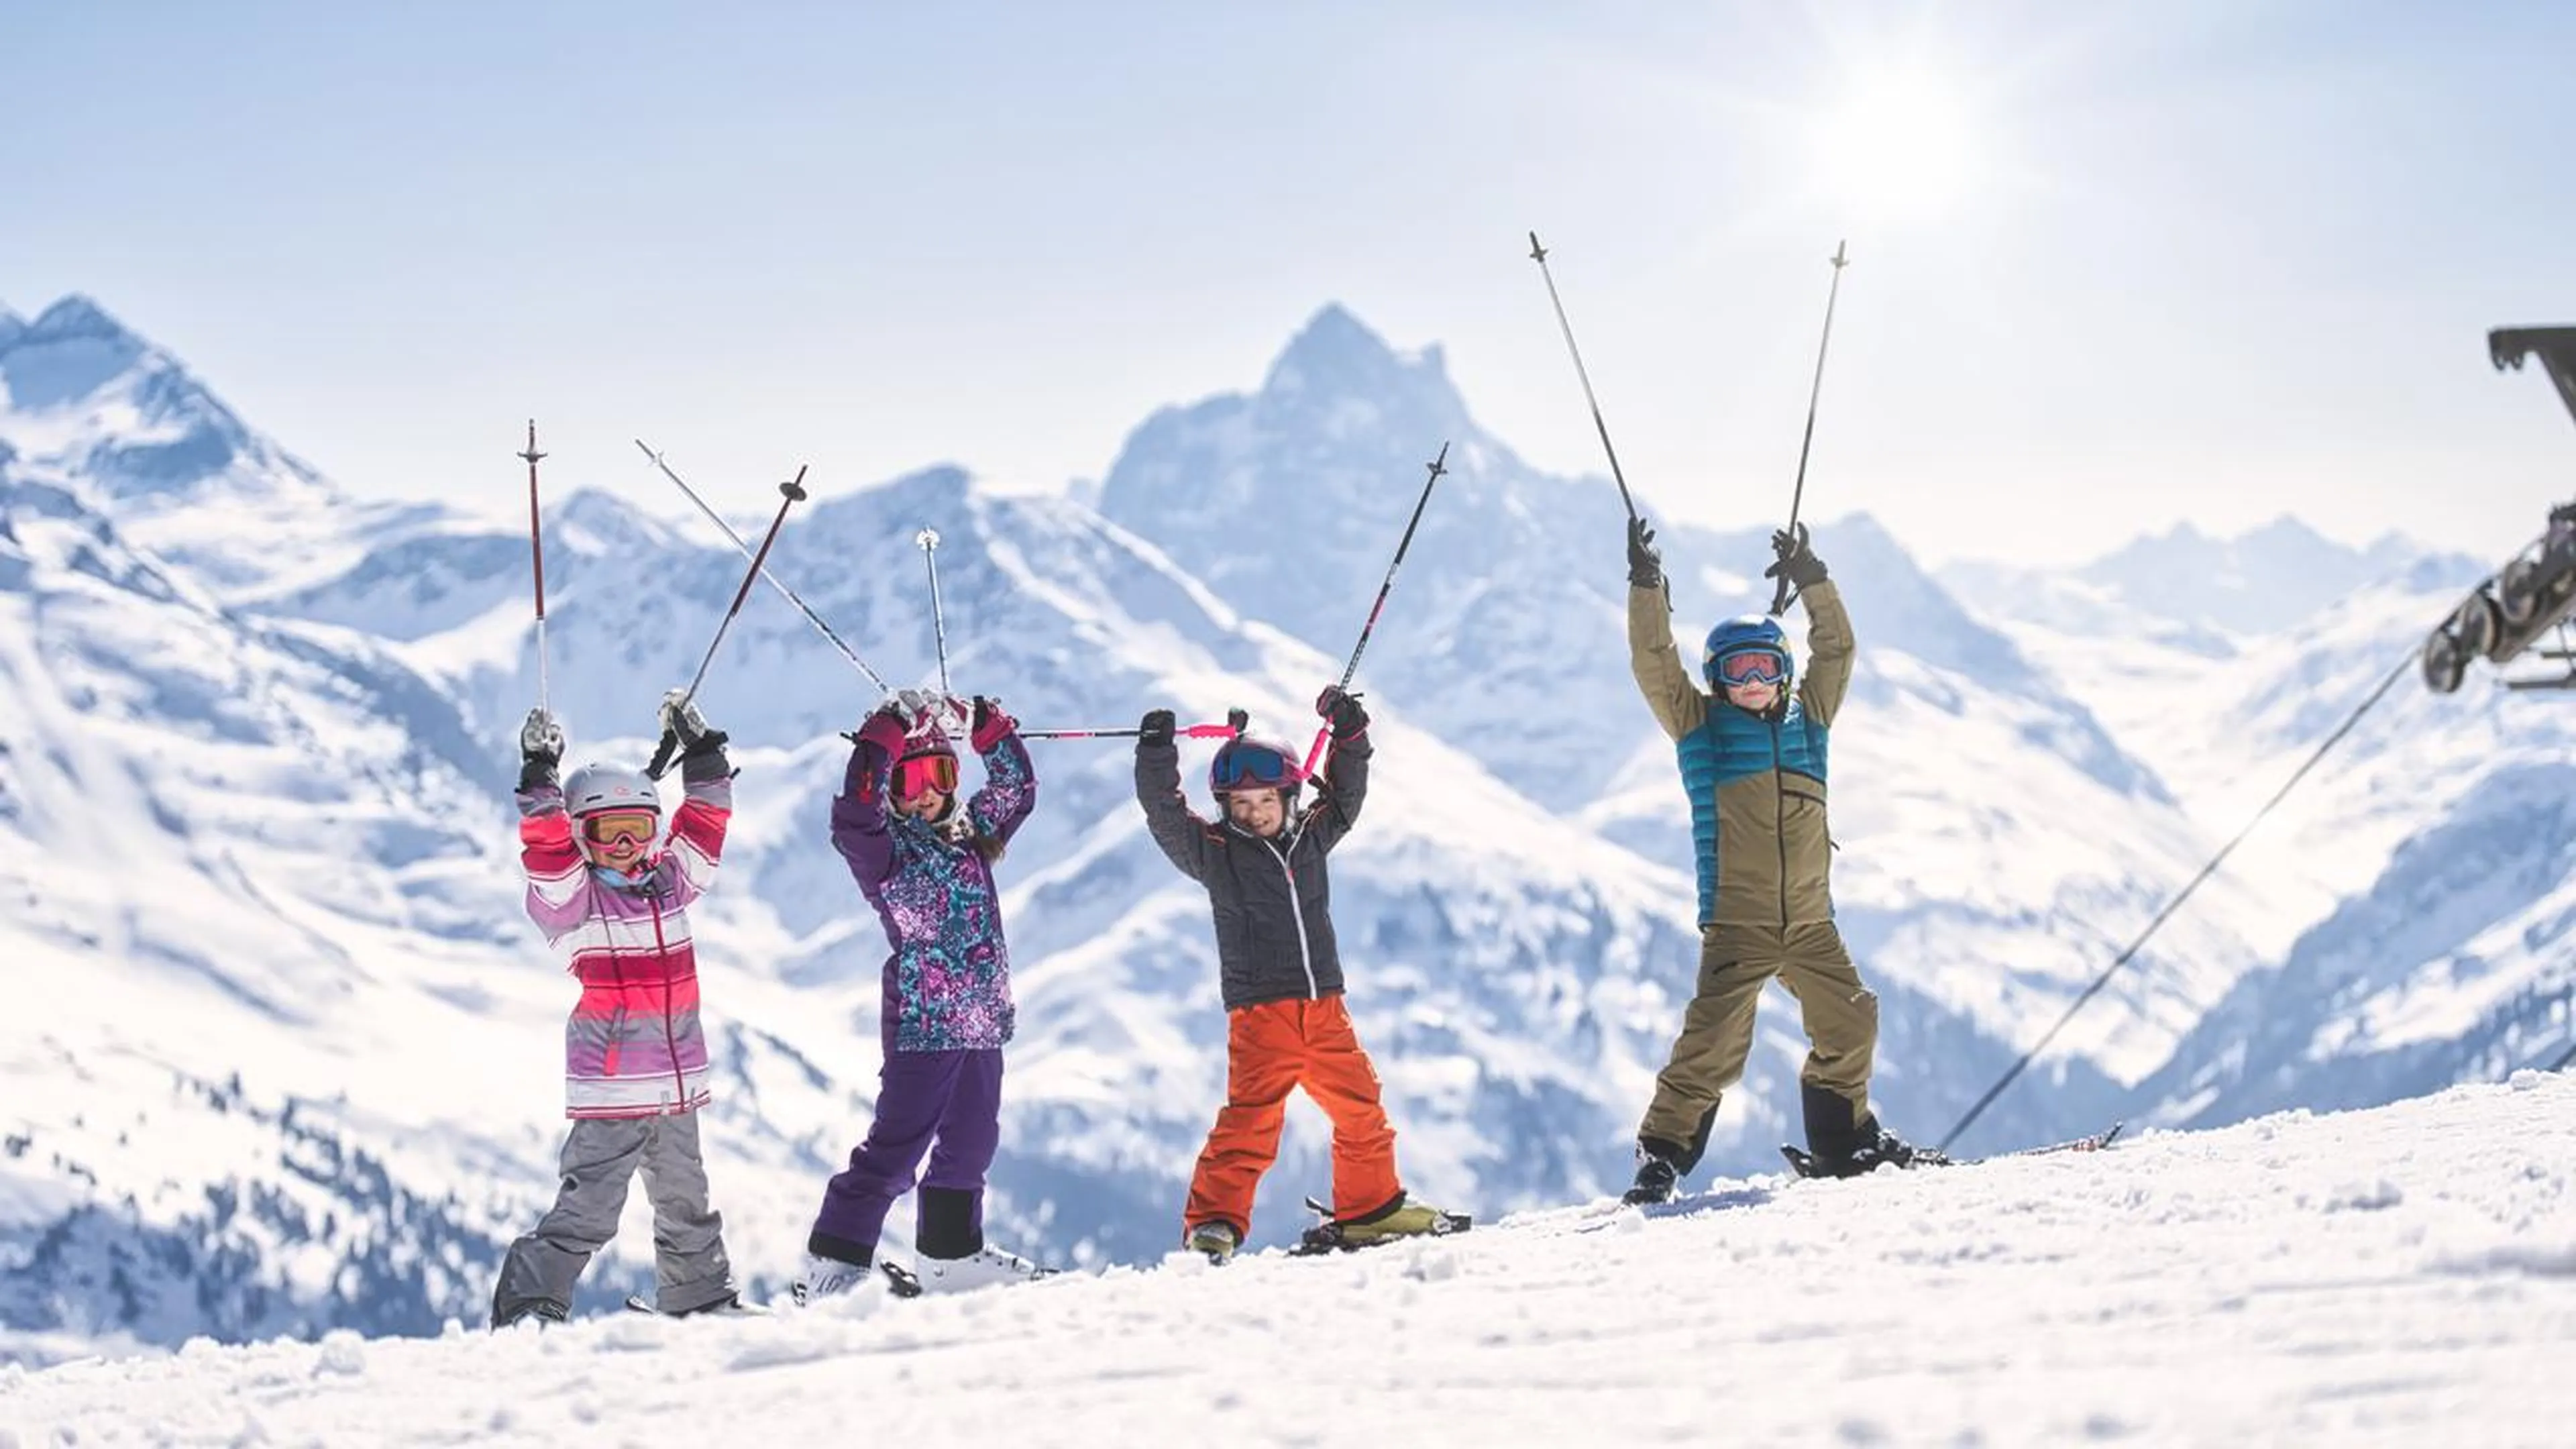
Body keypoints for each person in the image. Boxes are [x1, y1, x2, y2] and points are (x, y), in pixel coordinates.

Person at [1620, 518, 1944, 1203]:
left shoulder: (1811, 724)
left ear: (1785, 673)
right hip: (1739, 924)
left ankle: (1843, 1139)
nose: (1754, 681)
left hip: (1811, 923)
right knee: (1713, 1044)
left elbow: (1839, 648)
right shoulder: (1701, 731)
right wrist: (1648, 587)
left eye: (1766, 666)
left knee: (1852, 1018)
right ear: (1717, 678)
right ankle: (1662, 1156)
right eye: (1737, 670)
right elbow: (1654, 662)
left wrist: (1814, 580)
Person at [1134, 687, 1460, 1262]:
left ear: (1289, 795)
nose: (1253, 813)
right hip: (1262, 1013)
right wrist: (1157, 760)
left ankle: (1370, 1207)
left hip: (1325, 1008)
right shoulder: (1216, 855)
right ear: (1224, 809)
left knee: (1362, 1108)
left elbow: (1346, 797)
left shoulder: (1312, 837)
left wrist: (1349, 735)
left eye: (1264, 801)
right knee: (1252, 1122)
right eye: (1239, 805)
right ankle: (1214, 1221)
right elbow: (1166, 820)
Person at [490, 690, 747, 1327]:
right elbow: (547, 858)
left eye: (641, 828)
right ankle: (531, 1300)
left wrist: (705, 756)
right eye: (611, 831)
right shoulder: (574, 906)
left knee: (687, 1200)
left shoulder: (669, 887)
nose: (629, 844)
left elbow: (705, 833)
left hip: (678, 1084)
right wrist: (540, 779)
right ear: (584, 835)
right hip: (613, 1089)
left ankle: (699, 1298)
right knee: (591, 1207)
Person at [798, 689, 1048, 1299]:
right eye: (907, 781)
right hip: (924, 1021)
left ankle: (950, 1253)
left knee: (973, 1140)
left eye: (938, 773)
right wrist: (884, 733)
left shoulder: (972, 838)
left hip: (982, 1018)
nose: (925, 792)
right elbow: (853, 815)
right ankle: (834, 1261)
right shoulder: (886, 855)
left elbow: (1018, 790)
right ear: (889, 791)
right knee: (898, 1146)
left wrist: (989, 731)